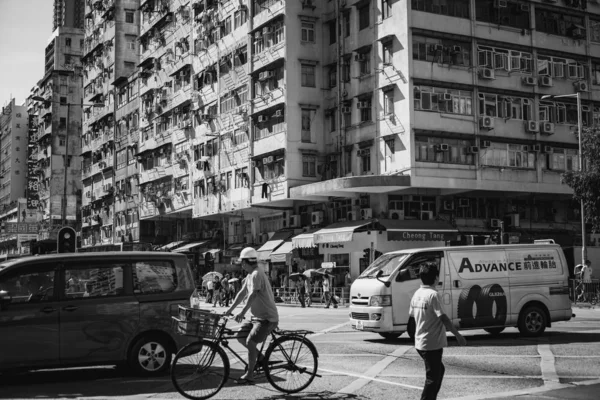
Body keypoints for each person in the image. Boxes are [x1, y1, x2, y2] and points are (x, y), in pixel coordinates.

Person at [410, 262, 467, 400]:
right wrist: (458, 335)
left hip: (421, 342)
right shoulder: (433, 295)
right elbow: (443, 317)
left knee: (438, 371)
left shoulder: (417, 294)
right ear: (435, 278)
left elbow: (412, 318)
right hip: (432, 343)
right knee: (432, 378)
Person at [225, 247, 279, 382]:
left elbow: (252, 294)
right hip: (256, 318)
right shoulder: (250, 275)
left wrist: (241, 312)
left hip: (267, 318)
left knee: (250, 342)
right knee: (240, 335)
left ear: (246, 262)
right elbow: (242, 293)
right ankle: (260, 359)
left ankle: (249, 375)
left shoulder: (256, 274)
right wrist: (229, 309)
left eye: (242, 262)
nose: (241, 265)